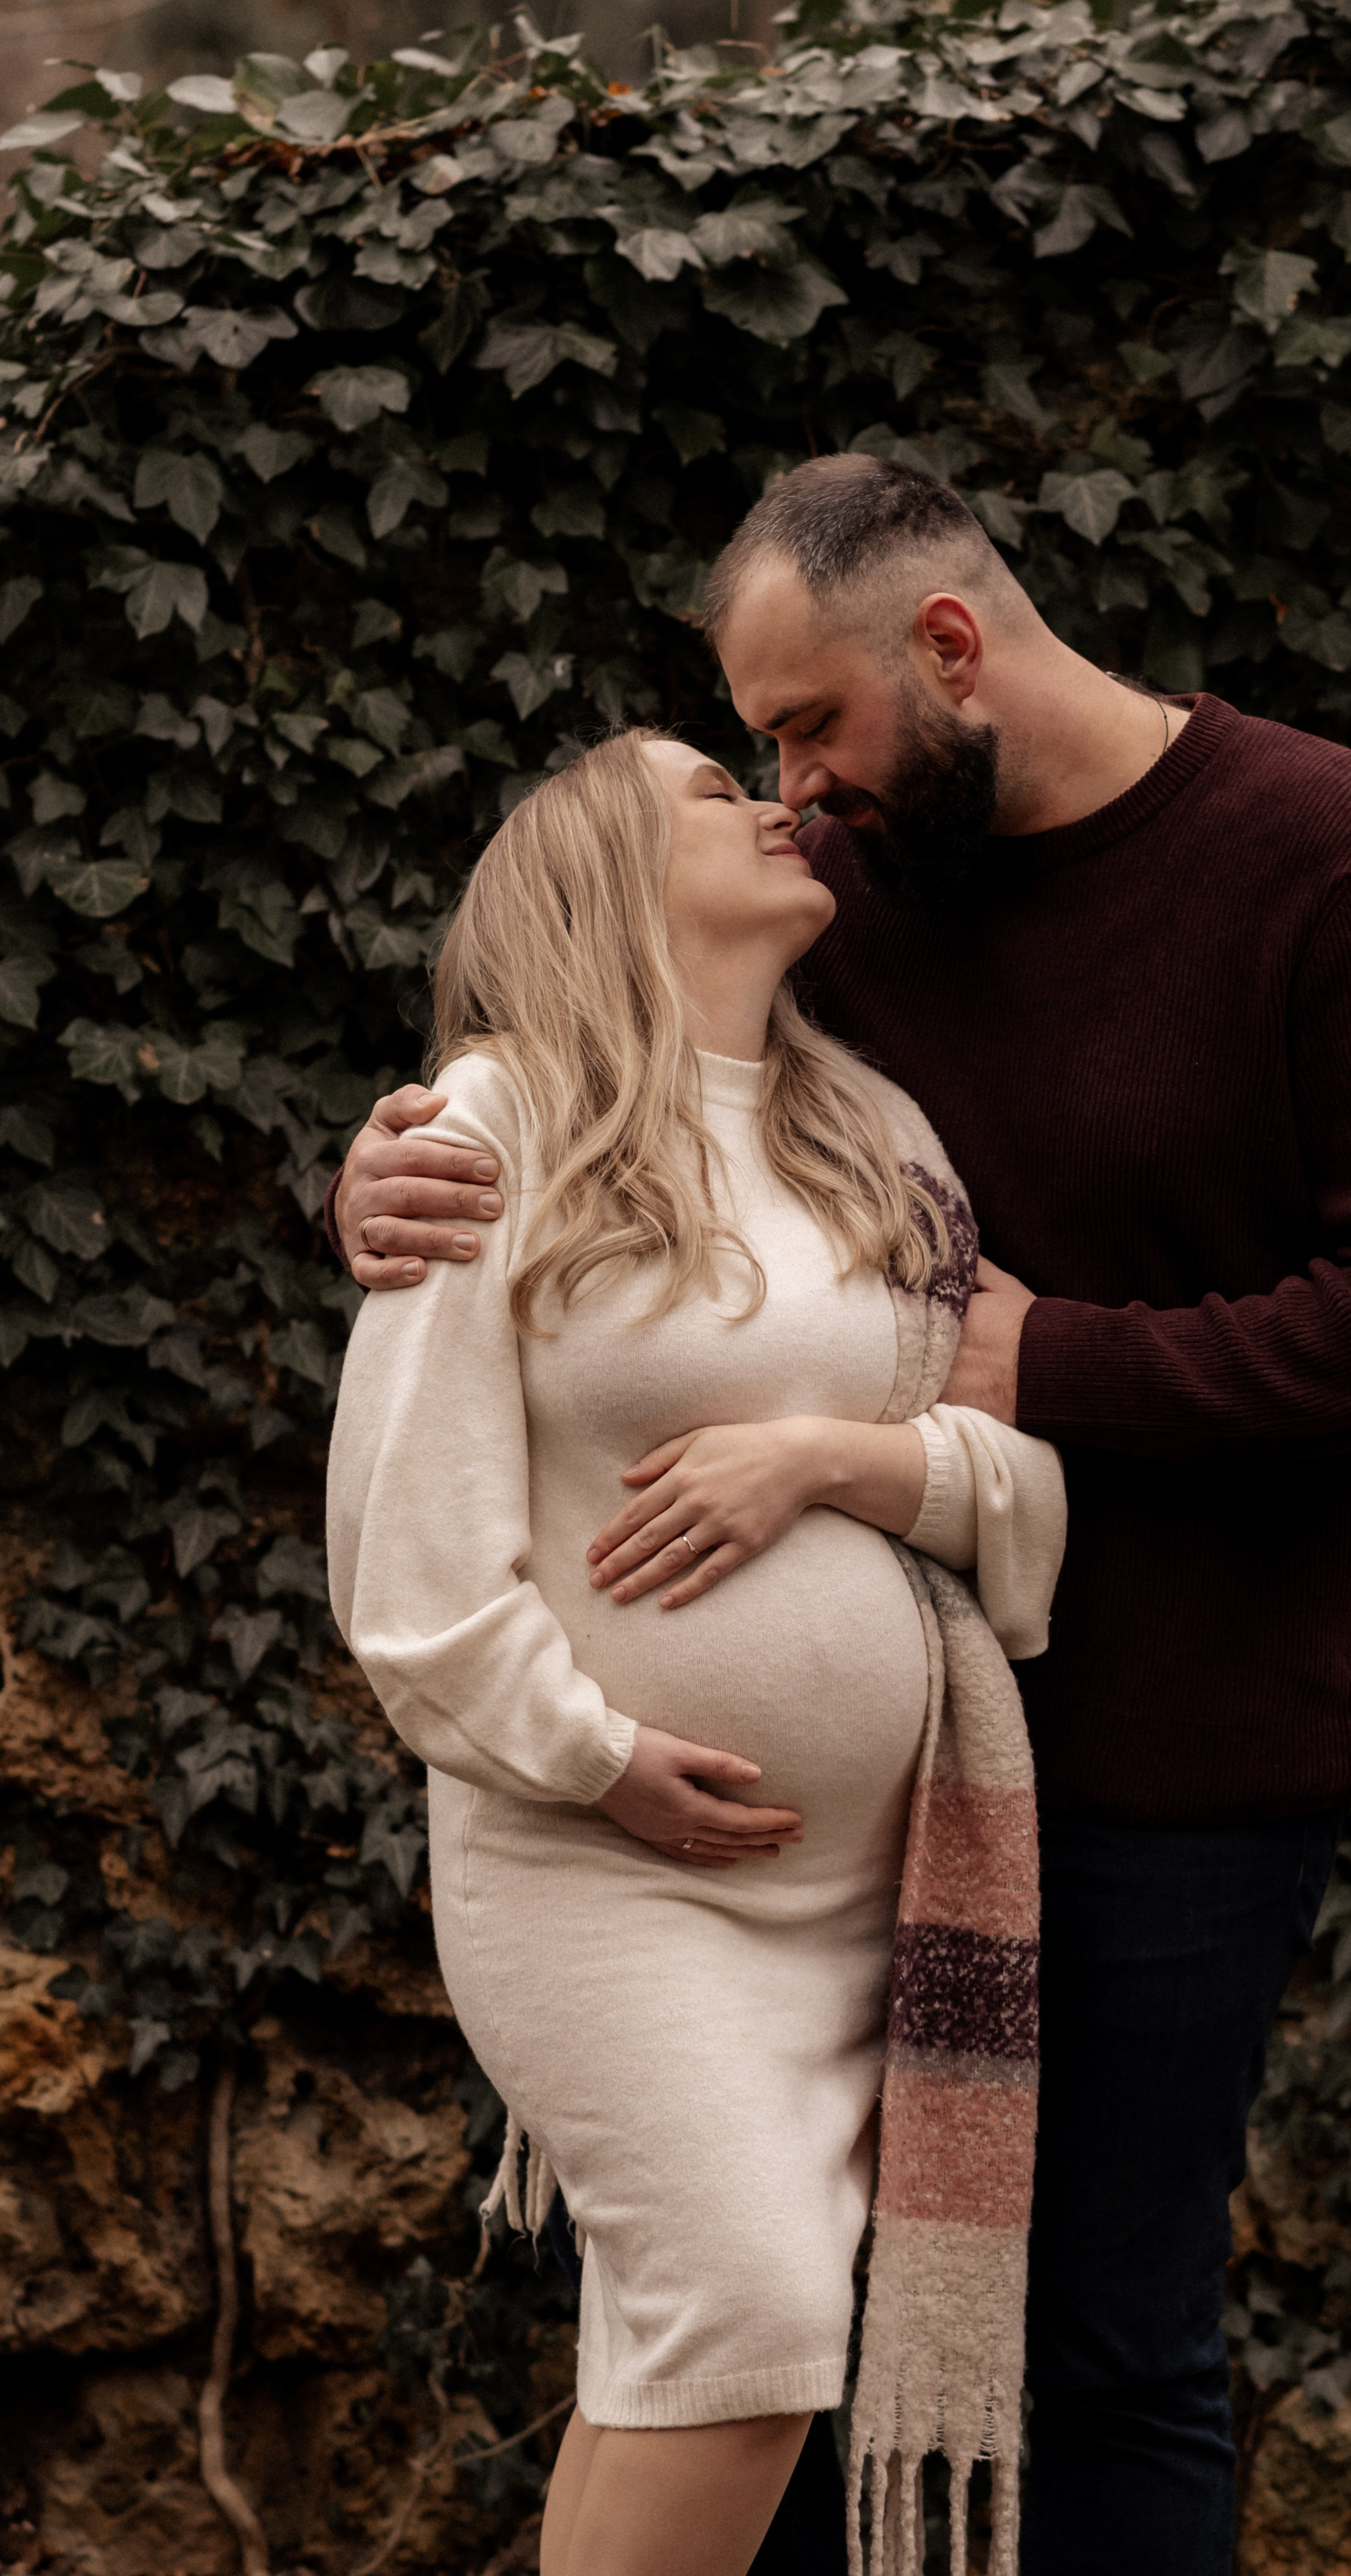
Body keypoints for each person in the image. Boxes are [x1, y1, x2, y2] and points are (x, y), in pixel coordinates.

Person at [329, 457, 1351, 2575]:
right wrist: (393, 1175)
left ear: (953, 650)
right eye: (760, 761)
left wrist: (1046, 1371)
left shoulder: (1318, 853)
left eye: (808, 730)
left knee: (1101, 2343)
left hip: (1190, 1735)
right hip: (875, 1815)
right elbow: (631, 1126)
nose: (792, 793)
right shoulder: (861, 902)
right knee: (816, 2324)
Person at [325, 727, 1066, 2576]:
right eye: (705, 792)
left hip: (864, 1902)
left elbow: (1018, 1495)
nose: (771, 800)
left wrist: (834, 1457)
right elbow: (409, 1565)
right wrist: (599, 1758)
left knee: (695, 2361)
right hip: (603, 1872)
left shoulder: (876, 1140)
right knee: (747, 2321)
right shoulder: (497, 1126)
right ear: (598, 876)